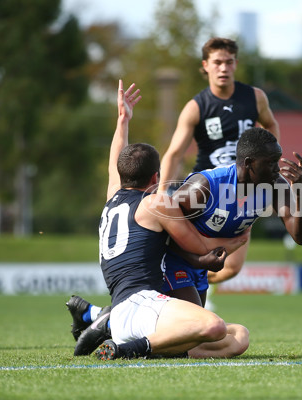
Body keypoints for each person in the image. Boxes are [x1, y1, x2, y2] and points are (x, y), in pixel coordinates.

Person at [71, 126, 302, 355]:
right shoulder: (203, 186)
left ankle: (106, 322)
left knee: (201, 337)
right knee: (201, 330)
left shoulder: (275, 186)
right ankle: (114, 327)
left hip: (203, 263)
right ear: (249, 164)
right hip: (177, 262)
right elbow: (165, 231)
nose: (277, 169)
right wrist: (198, 258)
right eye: (271, 163)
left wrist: (300, 189)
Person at [83, 79, 251, 360]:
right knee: (212, 325)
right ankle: (130, 350)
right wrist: (238, 237)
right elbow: (201, 247)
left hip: (129, 311)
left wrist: (122, 121)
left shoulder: (113, 196)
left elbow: (116, 161)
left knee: (239, 338)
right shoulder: (155, 203)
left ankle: (139, 340)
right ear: (155, 178)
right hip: (143, 305)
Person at [159, 37, 280, 288]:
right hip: (209, 192)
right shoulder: (196, 107)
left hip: (243, 190)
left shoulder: (255, 98)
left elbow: (271, 124)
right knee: (194, 252)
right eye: (217, 62)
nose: (223, 68)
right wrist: (161, 192)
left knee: (231, 268)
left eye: (228, 62)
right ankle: (178, 289)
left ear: (236, 64)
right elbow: (174, 153)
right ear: (205, 65)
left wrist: (270, 161)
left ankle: (195, 283)